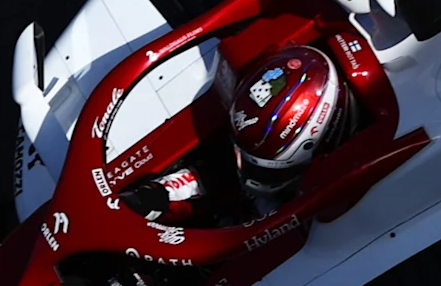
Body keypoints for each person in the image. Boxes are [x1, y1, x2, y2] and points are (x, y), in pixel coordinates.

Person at [123, 40, 355, 226]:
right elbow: (212, 177)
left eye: (265, 168)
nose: (246, 172)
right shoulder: (244, 152)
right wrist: (152, 198)